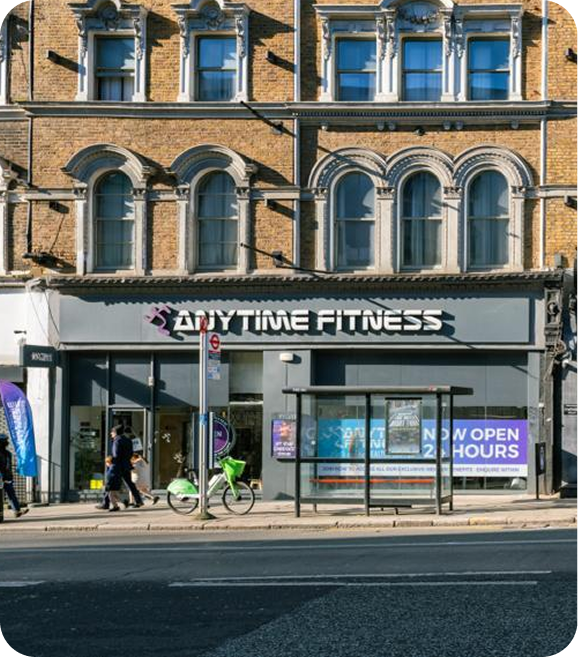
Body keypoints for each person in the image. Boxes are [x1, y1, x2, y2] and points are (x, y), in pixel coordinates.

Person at [111, 425, 144, 508]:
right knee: (130, 484)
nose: (111, 434)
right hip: (126, 465)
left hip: (118, 466)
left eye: (112, 432)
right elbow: (130, 453)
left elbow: (116, 455)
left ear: (115, 432)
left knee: (111, 484)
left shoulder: (117, 441)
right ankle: (139, 500)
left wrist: (112, 462)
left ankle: (119, 501)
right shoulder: (128, 440)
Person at [0, 433, 29, 519]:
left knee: (11, 494)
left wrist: (9, 477)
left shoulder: (8, 453)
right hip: (0, 477)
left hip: (7, 478)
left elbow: (8, 466)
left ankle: (17, 511)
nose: (6, 442)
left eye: (6, 440)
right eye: (4, 441)